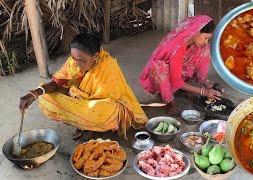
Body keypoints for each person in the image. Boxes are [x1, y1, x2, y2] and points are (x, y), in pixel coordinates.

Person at [19, 33, 148, 139]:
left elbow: (114, 100)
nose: (76, 63)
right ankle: (85, 124)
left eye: (81, 60)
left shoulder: (108, 66)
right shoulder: (74, 61)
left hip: (103, 107)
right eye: (73, 58)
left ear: (96, 56)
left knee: (104, 113)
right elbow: (56, 83)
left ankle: (88, 126)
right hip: (80, 104)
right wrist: (34, 94)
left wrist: (80, 101)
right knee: (44, 98)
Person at [139, 15, 222, 115]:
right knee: (158, 68)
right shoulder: (177, 47)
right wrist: (203, 91)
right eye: (206, 38)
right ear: (196, 31)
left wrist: (208, 85)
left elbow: (200, 69)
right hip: (166, 75)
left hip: (178, 73)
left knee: (204, 50)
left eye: (208, 39)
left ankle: (182, 89)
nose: (206, 42)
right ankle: (169, 101)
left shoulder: (199, 46)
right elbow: (176, 81)